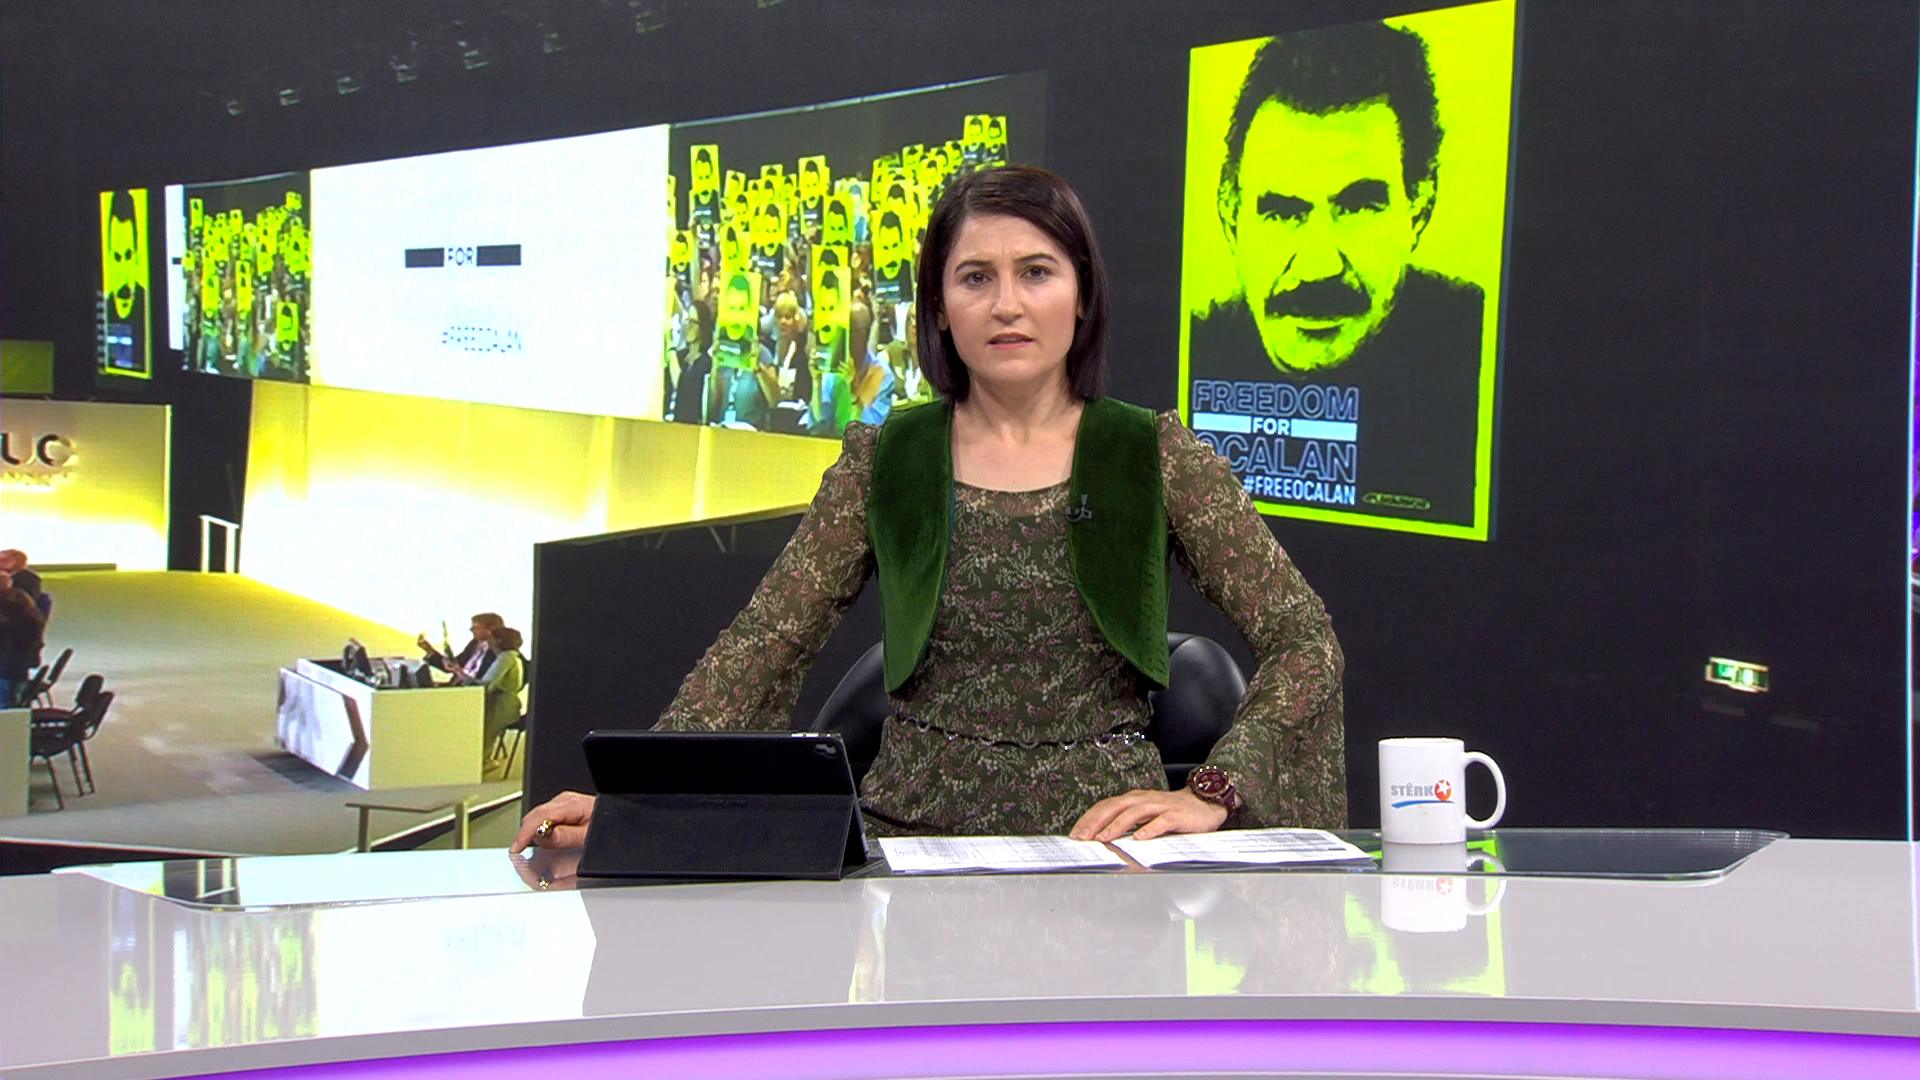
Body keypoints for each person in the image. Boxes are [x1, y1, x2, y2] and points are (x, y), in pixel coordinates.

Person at [514, 166, 1344, 853]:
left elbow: (1304, 637)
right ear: (940, 308)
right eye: (976, 278)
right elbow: (768, 641)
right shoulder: (887, 459)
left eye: (1037, 272)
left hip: (1102, 849)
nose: (1007, 304)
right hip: (909, 845)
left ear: (1083, 295)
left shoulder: (1154, 455)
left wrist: (1214, 790)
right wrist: (638, 794)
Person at [1187, 19, 1482, 524]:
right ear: (1229, 213)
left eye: (1358, 206)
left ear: (1420, 207)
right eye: (1282, 212)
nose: (1319, 267)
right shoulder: (1197, 336)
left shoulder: (1474, 344)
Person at [450, 625, 525, 760]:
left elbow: (485, 685)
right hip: (501, 706)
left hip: (501, 708)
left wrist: (459, 673)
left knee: (483, 739)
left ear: (499, 641)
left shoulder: (505, 658)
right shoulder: (508, 657)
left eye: (491, 638)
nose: (487, 641)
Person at [419, 612, 502, 681]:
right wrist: (429, 650)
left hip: (475, 691)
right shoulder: (474, 645)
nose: (471, 630)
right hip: (457, 688)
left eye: (476, 627)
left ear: (490, 630)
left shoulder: (499, 651)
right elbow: (452, 665)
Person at [0, 584, 46, 707]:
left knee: (6, 706)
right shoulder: (33, 621)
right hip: (19, 672)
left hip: (7, 673)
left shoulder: (11, 626)